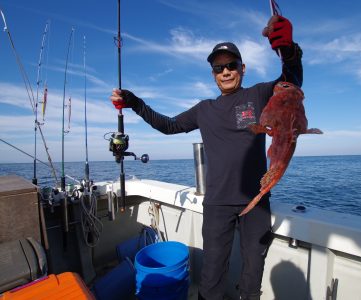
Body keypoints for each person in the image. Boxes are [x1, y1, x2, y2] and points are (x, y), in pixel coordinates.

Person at [111, 15, 307, 300]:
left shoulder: (260, 93)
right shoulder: (204, 109)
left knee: (253, 271)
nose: (226, 72)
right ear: (213, 74)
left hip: (256, 201)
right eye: (219, 68)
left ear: (243, 68)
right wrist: (135, 103)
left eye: (231, 65)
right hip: (217, 204)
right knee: (212, 275)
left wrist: (288, 49)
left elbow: (291, 83)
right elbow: (168, 126)